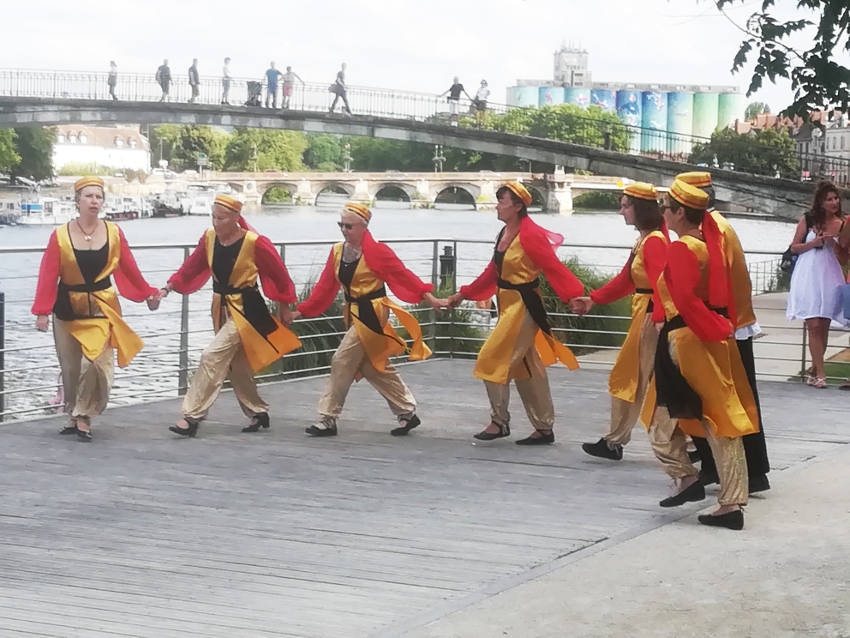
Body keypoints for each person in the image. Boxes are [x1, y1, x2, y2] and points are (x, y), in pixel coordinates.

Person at [640, 179, 759, 530]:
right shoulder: (709, 245)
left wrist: (705, 329)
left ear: (679, 213)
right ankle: (721, 494)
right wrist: (717, 328)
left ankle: (707, 488)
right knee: (714, 416)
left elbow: (688, 301)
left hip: (688, 340)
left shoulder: (683, 249)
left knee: (701, 417)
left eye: (667, 207)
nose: (662, 212)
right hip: (697, 336)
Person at [446, 181, 585, 445]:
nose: (497, 206)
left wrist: (573, 295)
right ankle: (544, 427)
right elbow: (493, 272)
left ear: (518, 206)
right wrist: (462, 294)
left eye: (502, 201)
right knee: (528, 367)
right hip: (508, 303)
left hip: (524, 305)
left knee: (490, 359)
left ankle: (499, 422)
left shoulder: (530, 234)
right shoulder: (505, 232)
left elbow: (553, 267)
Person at [291, 202, 444, 437]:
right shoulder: (337, 252)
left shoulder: (378, 251)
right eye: (341, 224)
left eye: (349, 226)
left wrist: (430, 298)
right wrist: (300, 311)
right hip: (353, 311)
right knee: (373, 365)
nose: (344, 230)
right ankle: (406, 411)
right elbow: (325, 287)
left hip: (373, 311)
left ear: (364, 227)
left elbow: (403, 275)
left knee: (341, 360)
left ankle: (327, 418)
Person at [158, 194, 301, 437]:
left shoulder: (255, 242)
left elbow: (280, 274)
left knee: (211, 355)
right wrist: (168, 287)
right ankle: (257, 411)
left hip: (246, 308)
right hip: (220, 306)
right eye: (213, 216)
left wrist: (285, 305)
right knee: (237, 364)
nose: (216, 222)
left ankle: (192, 416)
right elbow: (191, 267)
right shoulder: (209, 238)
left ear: (236, 218)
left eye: (221, 218)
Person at [31, 177, 160, 442]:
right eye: (88, 196)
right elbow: (48, 274)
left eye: (98, 197)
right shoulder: (60, 235)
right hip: (67, 308)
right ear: (77, 201)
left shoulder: (113, 232)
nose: (94, 201)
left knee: (97, 365)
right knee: (69, 367)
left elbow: (128, 267)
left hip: (103, 307)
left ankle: (84, 414)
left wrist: (147, 293)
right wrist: (42, 311)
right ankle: (74, 414)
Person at [675, 171, 772, 494]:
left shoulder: (711, 229)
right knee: (737, 399)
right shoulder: (717, 225)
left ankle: (738, 471)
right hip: (732, 323)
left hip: (723, 326)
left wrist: (713, 325)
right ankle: (746, 470)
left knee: (726, 401)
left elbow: (716, 285)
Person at [573, 183, 670, 461]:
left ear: (640, 208)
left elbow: (661, 286)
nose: (621, 211)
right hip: (646, 313)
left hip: (650, 316)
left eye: (626, 205)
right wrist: (595, 299)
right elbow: (627, 279)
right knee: (637, 378)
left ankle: (619, 439)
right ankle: (617, 439)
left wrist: (661, 320)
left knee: (633, 377)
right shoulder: (646, 239)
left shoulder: (653, 242)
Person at [786, 180, 847, 388]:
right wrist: (814, 243)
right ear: (820, 202)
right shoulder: (808, 219)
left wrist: (834, 243)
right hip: (808, 273)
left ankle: (814, 367)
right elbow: (794, 247)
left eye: (836, 198)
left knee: (824, 325)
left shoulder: (842, 224)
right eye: (829, 199)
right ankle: (821, 373)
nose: (834, 202)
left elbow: (844, 256)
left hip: (830, 274)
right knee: (813, 324)